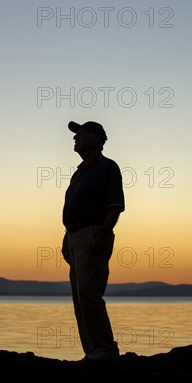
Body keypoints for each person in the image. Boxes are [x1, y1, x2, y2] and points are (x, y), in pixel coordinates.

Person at [61, 121, 125, 361]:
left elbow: (115, 204)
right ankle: (92, 351)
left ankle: (106, 349)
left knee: (89, 292)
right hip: (74, 236)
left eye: (81, 133)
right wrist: (67, 237)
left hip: (93, 233)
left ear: (96, 139)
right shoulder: (80, 172)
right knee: (79, 297)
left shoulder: (107, 167)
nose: (75, 137)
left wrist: (104, 231)